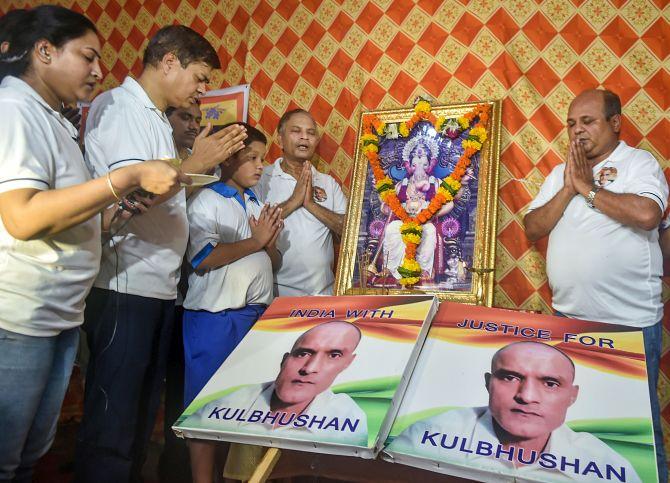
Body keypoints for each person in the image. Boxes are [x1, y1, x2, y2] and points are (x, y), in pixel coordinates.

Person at [0, 6, 186, 481]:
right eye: (88, 56)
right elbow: (21, 217)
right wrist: (124, 177)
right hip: (20, 316)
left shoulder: (53, 120)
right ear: (44, 52)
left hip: (57, 312)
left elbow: (66, 210)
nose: (99, 70)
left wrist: (111, 214)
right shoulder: (14, 108)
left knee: (26, 457)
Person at [75, 25, 247, 482]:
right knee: (114, 422)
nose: (203, 89)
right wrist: (192, 165)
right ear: (169, 61)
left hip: (158, 286)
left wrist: (192, 170)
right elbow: (125, 197)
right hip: (124, 285)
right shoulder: (119, 107)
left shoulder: (154, 116)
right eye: (200, 76)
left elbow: (163, 190)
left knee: (138, 421)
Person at [523, 89, 667, 482]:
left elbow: (647, 214)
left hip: (629, 324)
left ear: (615, 123)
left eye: (587, 122)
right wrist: (569, 187)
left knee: (637, 427)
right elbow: (531, 228)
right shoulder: (561, 173)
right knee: (573, 422)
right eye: (571, 124)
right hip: (568, 320)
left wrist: (587, 189)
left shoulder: (639, 164)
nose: (577, 132)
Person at [182, 123, 282, 483]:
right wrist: (257, 242)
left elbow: (275, 262)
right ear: (227, 160)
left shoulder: (255, 201)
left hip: (254, 317)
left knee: (247, 408)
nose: (260, 166)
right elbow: (203, 258)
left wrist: (269, 244)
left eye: (262, 158)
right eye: (251, 158)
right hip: (215, 319)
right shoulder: (207, 200)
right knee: (205, 408)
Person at [388, 342, 641, 482]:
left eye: (550, 383)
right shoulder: (428, 436)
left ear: (572, 396)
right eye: (510, 377)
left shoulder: (608, 468)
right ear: (488, 383)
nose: (527, 396)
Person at [186, 321, 368, 446]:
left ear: (346, 364)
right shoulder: (228, 402)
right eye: (303, 353)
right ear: (284, 360)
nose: (309, 368)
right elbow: (197, 436)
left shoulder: (348, 418)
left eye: (333, 355)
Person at [159, 100, 204, 483]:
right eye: (184, 117)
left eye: (197, 120)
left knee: (179, 386)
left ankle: (174, 466)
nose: (192, 125)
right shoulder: (161, 162)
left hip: (185, 293)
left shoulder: (201, 166)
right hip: (152, 288)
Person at [255, 109, 347, 296]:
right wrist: (293, 201)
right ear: (280, 139)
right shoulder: (262, 177)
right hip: (277, 296)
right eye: (296, 131)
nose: (304, 138)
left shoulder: (327, 182)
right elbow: (252, 228)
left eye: (311, 133)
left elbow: (349, 230)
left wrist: (311, 205)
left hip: (324, 294)